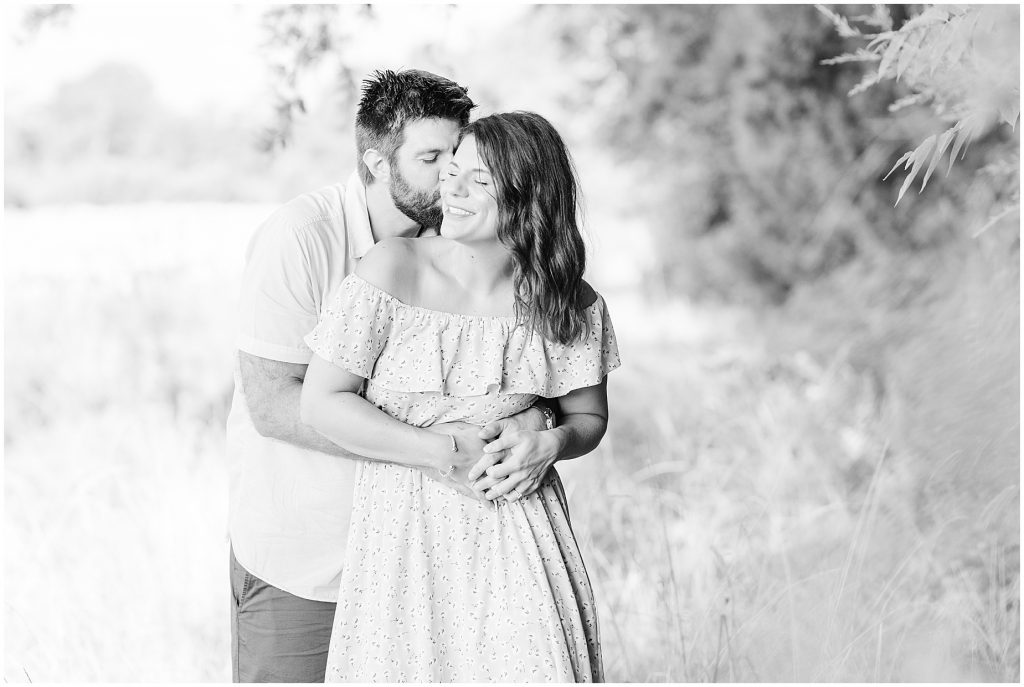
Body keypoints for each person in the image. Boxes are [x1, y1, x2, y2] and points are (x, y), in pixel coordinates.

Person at [225, 70, 556, 683]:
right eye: (430, 157)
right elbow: (273, 406)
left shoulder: (463, 244)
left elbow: (517, 369)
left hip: (429, 561)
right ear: (377, 162)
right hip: (310, 555)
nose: (449, 176)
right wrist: (441, 449)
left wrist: (537, 422)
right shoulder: (299, 238)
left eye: (456, 155)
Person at [301, 111, 621, 681]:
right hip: (403, 537)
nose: (452, 187)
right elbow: (322, 402)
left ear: (530, 196)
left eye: (478, 178)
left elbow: (588, 417)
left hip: (521, 535)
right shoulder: (391, 269)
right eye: (453, 170)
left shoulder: (570, 302)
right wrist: (441, 451)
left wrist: (553, 440)